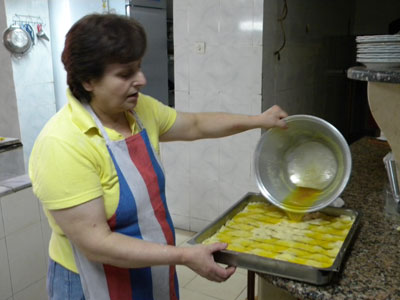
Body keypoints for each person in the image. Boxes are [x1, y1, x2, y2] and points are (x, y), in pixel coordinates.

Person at [29, 13, 288, 300]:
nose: (141, 80)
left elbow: (196, 124)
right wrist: (184, 255)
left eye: (138, 68)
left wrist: (258, 120)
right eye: (125, 74)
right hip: (92, 282)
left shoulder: (139, 112)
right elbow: (96, 244)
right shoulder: (63, 143)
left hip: (148, 268)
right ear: (88, 80)